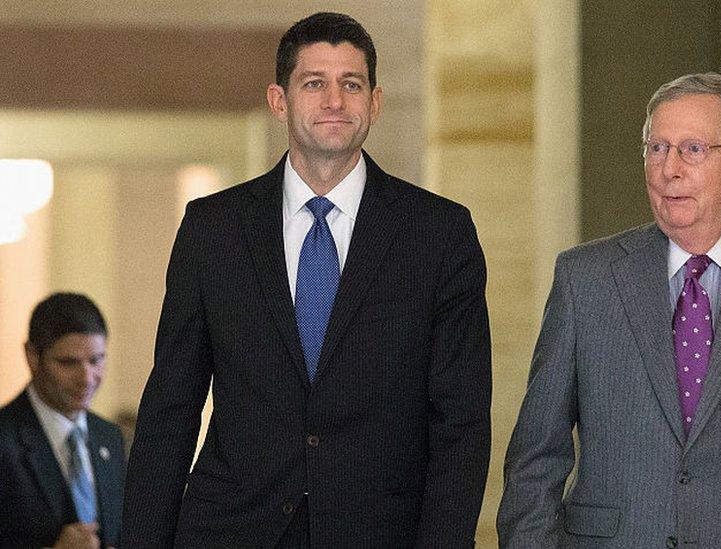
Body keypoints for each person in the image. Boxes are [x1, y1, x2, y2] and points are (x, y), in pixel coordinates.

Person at [120, 12, 491, 548]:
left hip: (380, 533)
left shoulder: (438, 234)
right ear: (279, 101)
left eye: (351, 84)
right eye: (314, 83)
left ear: (375, 102)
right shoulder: (213, 229)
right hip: (230, 531)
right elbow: (170, 409)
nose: (334, 101)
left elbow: (460, 425)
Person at [497, 72, 721, 547]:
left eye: (692, 149)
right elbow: (535, 458)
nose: (669, 168)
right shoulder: (584, 280)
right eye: (657, 148)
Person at [0, 293, 125, 548]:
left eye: (96, 360)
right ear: (32, 356)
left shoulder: (110, 437)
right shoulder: (5, 439)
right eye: (68, 363)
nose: (87, 378)